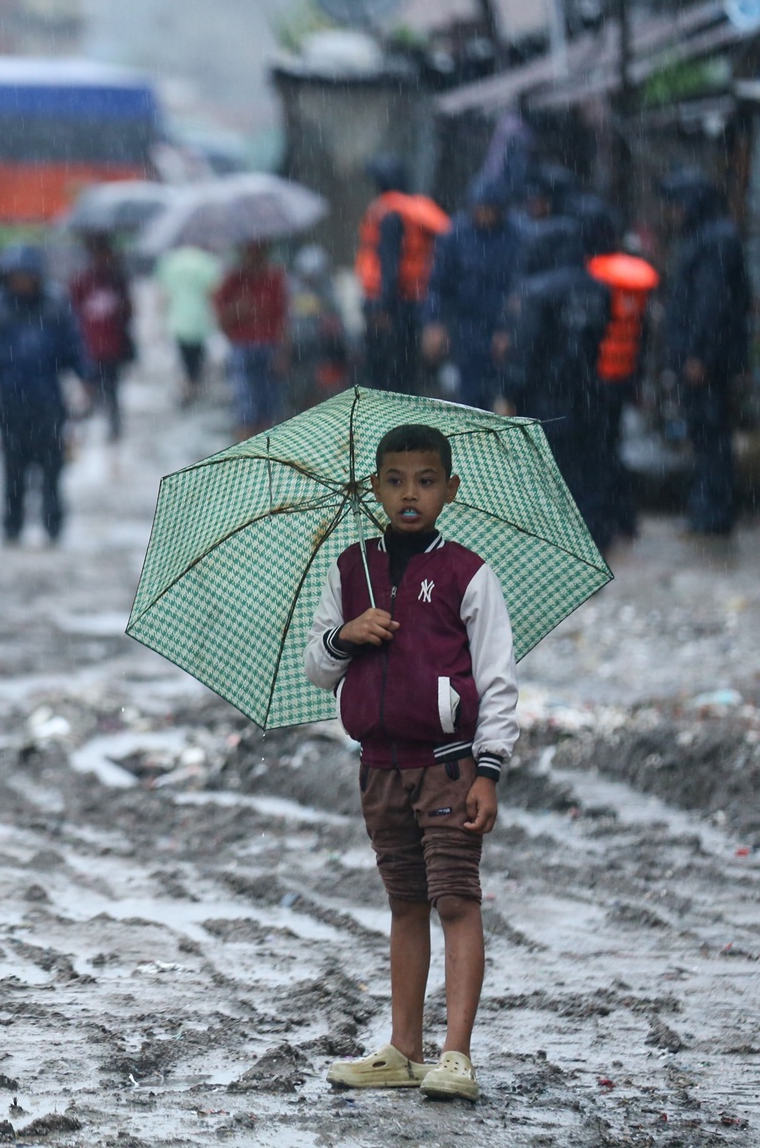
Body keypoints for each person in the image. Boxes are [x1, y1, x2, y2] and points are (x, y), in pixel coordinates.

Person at [305, 423, 517, 1104]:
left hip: (449, 764)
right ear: (374, 488)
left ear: (449, 490)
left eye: (426, 481)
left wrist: (489, 768)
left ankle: (454, 1053)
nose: (409, 493)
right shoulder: (350, 569)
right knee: (405, 902)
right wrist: (347, 635)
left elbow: (497, 679)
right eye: (394, 480)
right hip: (379, 766)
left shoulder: (467, 574)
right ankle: (403, 1047)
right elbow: (316, 668)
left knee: (455, 898)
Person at [505, 219, 615, 546]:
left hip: (546, 396)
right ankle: (591, 534)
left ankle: (551, 538)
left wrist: (511, 390)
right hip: (590, 393)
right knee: (587, 467)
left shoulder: (536, 292)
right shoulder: (599, 289)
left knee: (547, 470)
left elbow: (525, 349)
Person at [660, 169, 750, 537]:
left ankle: (714, 512)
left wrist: (699, 354)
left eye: (677, 205)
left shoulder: (715, 241)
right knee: (706, 434)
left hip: (708, 360)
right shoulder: (706, 237)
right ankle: (709, 508)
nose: (672, 213)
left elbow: (712, 305)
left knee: (710, 434)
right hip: (706, 356)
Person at [0, 245, 87, 545]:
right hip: (11, 401)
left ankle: (53, 525)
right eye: (17, 276)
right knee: (13, 468)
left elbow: (73, 346)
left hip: (48, 401)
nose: (22, 282)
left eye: (27, 276)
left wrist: (86, 377)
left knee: (51, 467)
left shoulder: (55, 304)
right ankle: (12, 526)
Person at [578, 196, 660, 545]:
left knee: (597, 452)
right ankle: (623, 517)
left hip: (597, 377)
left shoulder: (596, 277)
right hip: (623, 375)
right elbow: (643, 333)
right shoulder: (633, 277)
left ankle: (604, 522)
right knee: (613, 447)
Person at [424, 179, 522, 410]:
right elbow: (438, 284)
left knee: (506, 395)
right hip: (466, 325)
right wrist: (434, 323)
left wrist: (509, 329)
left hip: (502, 324)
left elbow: (520, 286)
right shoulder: (455, 235)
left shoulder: (516, 236)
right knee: (469, 393)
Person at [356, 156, 450, 395]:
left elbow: (389, 265)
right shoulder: (408, 209)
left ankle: (387, 424)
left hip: (391, 306)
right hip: (410, 303)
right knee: (403, 372)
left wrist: (384, 308)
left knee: (385, 377)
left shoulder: (390, 215)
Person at [215, 239, 290, 437]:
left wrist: (283, 350)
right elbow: (221, 319)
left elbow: (283, 317)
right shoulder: (232, 281)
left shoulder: (274, 278)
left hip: (269, 346)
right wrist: (237, 309)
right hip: (243, 347)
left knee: (270, 408)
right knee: (246, 407)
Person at [67, 232, 135, 442]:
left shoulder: (117, 281)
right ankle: (88, 429)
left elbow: (128, 312)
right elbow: (72, 313)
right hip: (90, 346)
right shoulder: (82, 282)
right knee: (92, 388)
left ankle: (112, 429)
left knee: (111, 389)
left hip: (113, 346)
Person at [154, 238, 223, 404]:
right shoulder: (208, 262)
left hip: (179, 320)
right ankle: (194, 384)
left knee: (185, 356)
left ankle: (190, 385)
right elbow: (214, 292)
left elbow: (164, 294)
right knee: (197, 354)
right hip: (200, 319)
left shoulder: (170, 263)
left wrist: (161, 317)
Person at [286, 244, 348, 414]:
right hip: (298, 349)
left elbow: (337, 318)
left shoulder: (328, 290)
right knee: (300, 392)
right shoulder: (292, 288)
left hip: (322, 350)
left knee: (322, 393)